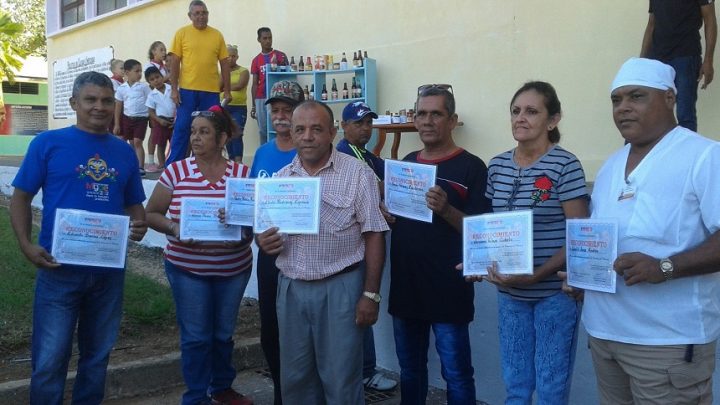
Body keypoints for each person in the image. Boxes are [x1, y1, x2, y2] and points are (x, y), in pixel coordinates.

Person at [566, 57, 720, 404]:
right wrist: (582, 275)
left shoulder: (704, 157)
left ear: (669, 98)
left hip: (665, 344)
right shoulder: (609, 167)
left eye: (636, 96)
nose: (623, 108)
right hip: (605, 336)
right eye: (616, 100)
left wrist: (664, 267)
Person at [9, 71, 147, 405]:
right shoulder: (47, 143)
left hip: (107, 273)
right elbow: (20, 197)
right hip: (59, 270)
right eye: (91, 100)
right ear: (74, 103)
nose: (99, 107)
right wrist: (27, 245)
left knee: (97, 357)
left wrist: (139, 225)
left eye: (106, 100)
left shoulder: (124, 152)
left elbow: (133, 205)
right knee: (49, 360)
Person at [256, 101, 389, 404]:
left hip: (340, 289)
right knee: (296, 381)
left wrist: (370, 295)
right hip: (291, 289)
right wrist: (263, 242)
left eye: (317, 129)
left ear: (331, 132)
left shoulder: (357, 174)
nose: (307, 136)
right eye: (300, 129)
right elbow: (263, 234)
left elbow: (374, 234)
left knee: (342, 382)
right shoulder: (279, 181)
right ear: (291, 132)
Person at [476, 81, 589, 404]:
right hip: (509, 295)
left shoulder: (565, 165)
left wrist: (537, 275)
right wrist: (476, 262)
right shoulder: (497, 166)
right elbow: (488, 229)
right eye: (515, 111)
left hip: (553, 296)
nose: (520, 118)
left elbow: (578, 235)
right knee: (515, 385)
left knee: (551, 388)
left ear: (552, 121)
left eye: (531, 111)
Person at [387, 85, 491, 404]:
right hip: (406, 286)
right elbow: (397, 219)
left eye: (436, 113)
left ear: (452, 120)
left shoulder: (472, 167)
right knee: (410, 370)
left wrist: (446, 209)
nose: (427, 120)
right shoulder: (405, 163)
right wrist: (387, 214)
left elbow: (481, 232)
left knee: (456, 373)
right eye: (421, 113)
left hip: (449, 289)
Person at [145, 105, 254, 405]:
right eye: (193, 132)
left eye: (204, 132)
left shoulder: (242, 174)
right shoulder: (176, 171)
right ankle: (195, 397)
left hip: (233, 268)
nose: (195, 138)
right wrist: (173, 227)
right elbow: (151, 213)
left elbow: (255, 221)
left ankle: (221, 388)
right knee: (196, 337)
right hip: (187, 269)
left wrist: (243, 230)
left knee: (222, 334)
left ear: (222, 139)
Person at [248, 79, 303, 405]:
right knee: (271, 330)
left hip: (305, 256)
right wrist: (256, 233)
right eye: (276, 111)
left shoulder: (314, 150)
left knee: (302, 334)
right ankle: (282, 395)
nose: (280, 117)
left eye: (287, 110)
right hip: (268, 255)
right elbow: (255, 203)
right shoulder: (263, 153)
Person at [338, 101, 397, 392]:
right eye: (359, 122)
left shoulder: (369, 156)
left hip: (369, 242)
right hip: (354, 245)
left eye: (369, 123)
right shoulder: (343, 155)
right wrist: (380, 200)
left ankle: (363, 370)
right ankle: (362, 372)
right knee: (360, 305)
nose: (365, 128)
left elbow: (390, 182)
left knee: (364, 303)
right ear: (344, 126)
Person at [166, 0, 231, 164]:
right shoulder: (182, 33)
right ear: (190, 16)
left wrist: (228, 91)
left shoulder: (217, 35)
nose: (201, 16)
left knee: (209, 130)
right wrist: (174, 89)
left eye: (204, 13)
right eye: (197, 13)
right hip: (187, 91)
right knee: (182, 129)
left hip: (210, 92)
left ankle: (202, 167)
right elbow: (174, 61)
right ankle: (172, 169)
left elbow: (224, 63)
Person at [640, 0, 717, 131]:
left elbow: (710, 20)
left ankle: (687, 152)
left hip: (685, 56)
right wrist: (641, 61)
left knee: (685, 115)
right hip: (657, 58)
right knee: (648, 112)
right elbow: (652, 23)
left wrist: (708, 60)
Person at [250, 27, 287, 145]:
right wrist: (253, 106)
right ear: (259, 40)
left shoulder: (281, 56)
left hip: (277, 97)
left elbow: (288, 77)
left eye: (270, 38)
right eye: (265, 38)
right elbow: (255, 84)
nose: (268, 41)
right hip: (261, 98)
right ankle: (265, 153)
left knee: (278, 127)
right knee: (263, 130)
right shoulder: (256, 60)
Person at [113, 59, 151, 176]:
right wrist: (117, 124)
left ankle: (140, 167)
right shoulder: (121, 89)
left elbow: (150, 102)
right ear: (127, 72)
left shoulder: (143, 87)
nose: (140, 74)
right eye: (137, 71)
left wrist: (152, 117)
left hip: (141, 118)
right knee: (131, 143)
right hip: (127, 118)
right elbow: (118, 106)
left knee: (138, 141)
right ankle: (132, 164)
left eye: (141, 71)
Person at [222, 44, 250, 163]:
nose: (231, 58)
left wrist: (225, 87)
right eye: (228, 56)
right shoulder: (222, 72)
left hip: (239, 107)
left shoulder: (243, 71)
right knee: (227, 134)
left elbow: (240, 85)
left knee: (237, 134)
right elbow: (217, 87)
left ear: (237, 57)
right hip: (224, 106)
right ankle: (231, 160)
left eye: (233, 56)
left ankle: (238, 162)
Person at [145, 66, 175, 173]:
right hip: (160, 122)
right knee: (161, 144)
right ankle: (162, 165)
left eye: (157, 77)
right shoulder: (152, 95)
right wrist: (158, 120)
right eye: (152, 79)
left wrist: (176, 119)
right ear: (149, 83)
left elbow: (178, 104)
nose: (156, 81)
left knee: (174, 143)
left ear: (162, 77)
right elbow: (151, 112)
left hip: (173, 121)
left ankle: (172, 163)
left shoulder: (171, 88)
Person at [145, 40, 169, 172]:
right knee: (155, 133)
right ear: (153, 51)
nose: (164, 52)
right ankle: (151, 161)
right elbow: (152, 83)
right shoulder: (149, 66)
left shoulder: (164, 67)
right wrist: (169, 76)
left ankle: (165, 161)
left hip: (167, 102)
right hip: (155, 103)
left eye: (165, 50)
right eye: (161, 50)